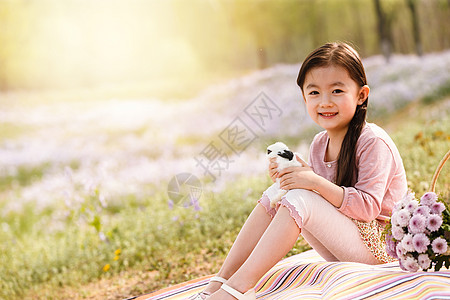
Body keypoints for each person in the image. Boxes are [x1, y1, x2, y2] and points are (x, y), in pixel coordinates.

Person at [190, 42, 408, 300]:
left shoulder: (373, 141)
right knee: (280, 190)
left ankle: (236, 289)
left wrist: (312, 182)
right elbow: (325, 197)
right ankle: (222, 279)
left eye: (337, 91)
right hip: (344, 243)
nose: (325, 102)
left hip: (379, 248)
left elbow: (367, 208)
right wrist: (296, 174)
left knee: (299, 196)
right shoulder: (319, 143)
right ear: (304, 97)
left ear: (361, 95)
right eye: (314, 93)